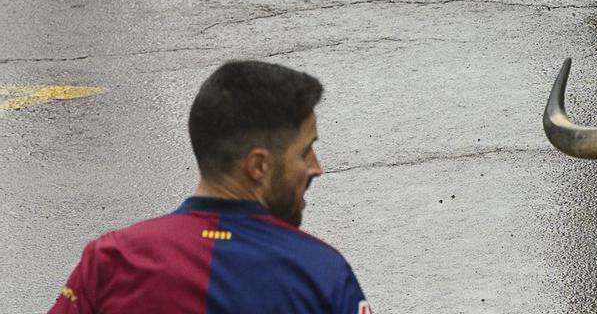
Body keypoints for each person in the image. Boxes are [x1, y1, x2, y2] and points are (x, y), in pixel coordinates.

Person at [47, 59, 372, 313]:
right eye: (305, 151)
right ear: (259, 167)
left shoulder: (110, 260)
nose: (316, 167)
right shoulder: (319, 272)